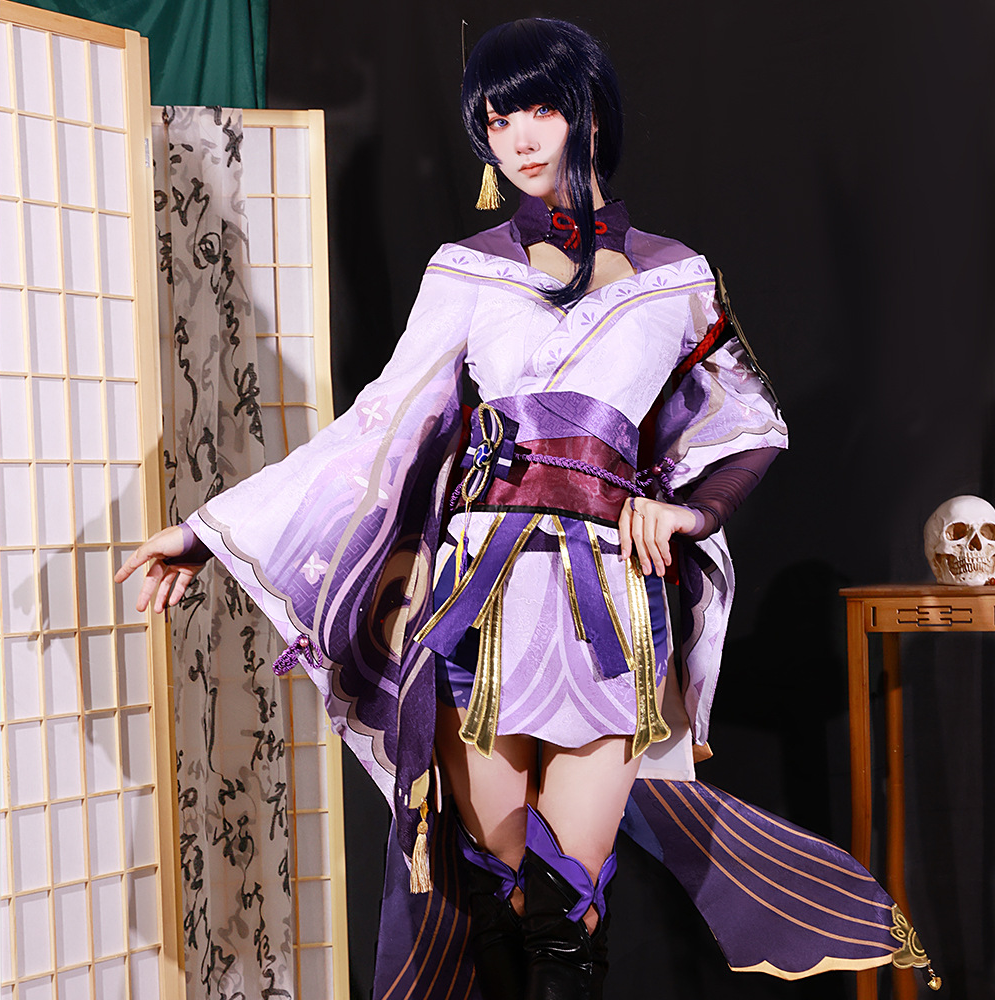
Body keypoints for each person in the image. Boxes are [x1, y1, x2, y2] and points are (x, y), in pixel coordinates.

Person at [118, 18, 938, 1000]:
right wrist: (206, 533)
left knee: (566, 905)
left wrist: (689, 514)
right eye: (497, 119)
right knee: (491, 896)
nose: (518, 136)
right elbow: (380, 424)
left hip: (606, 611)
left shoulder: (678, 277)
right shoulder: (465, 269)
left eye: (539, 108)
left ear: (587, 114)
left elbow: (750, 422)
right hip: (480, 601)